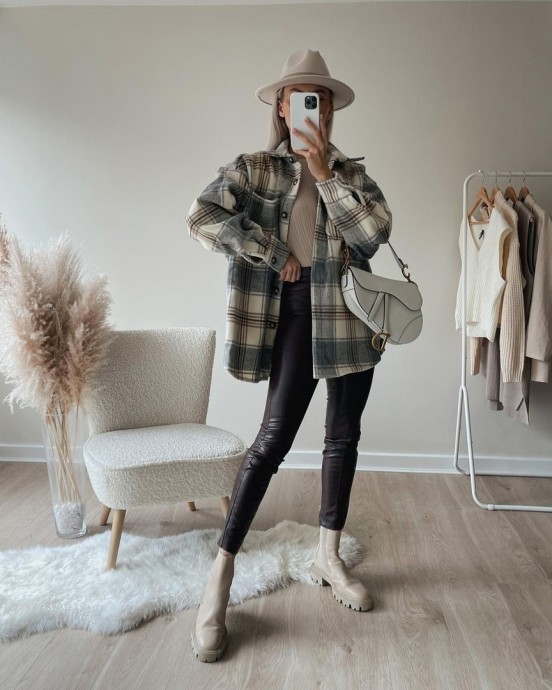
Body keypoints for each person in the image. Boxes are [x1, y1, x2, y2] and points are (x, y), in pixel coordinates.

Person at [186, 48, 392, 663]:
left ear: (329, 110)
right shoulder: (252, 170)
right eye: (299, 97)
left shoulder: (351, 175)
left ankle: (329, 555)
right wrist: (274, 255)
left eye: (319, 99)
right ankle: (220, 576)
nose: (310, 107)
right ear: (281, 106)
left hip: (350, 313)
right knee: (272, 439)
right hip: (295, 311)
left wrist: (326, 173)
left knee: (343, 436)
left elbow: (374, 235)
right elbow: (202, 217)